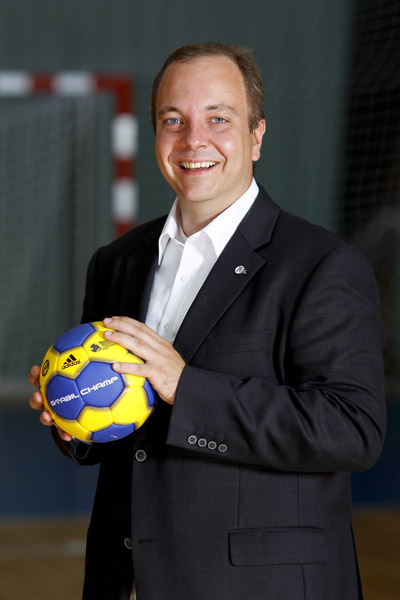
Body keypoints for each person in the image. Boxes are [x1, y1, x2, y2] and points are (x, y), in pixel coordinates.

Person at [29, 42, 386, 600]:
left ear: (256, 136)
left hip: (259, 585)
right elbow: (124, 437)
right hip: (126, 580)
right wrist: (73, 414)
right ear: (155, 135)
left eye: (218, 118)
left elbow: (352, 431)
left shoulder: (320, 264)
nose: (193, 139)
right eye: (173, 120)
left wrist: (185, 387)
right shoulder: (117, 262)